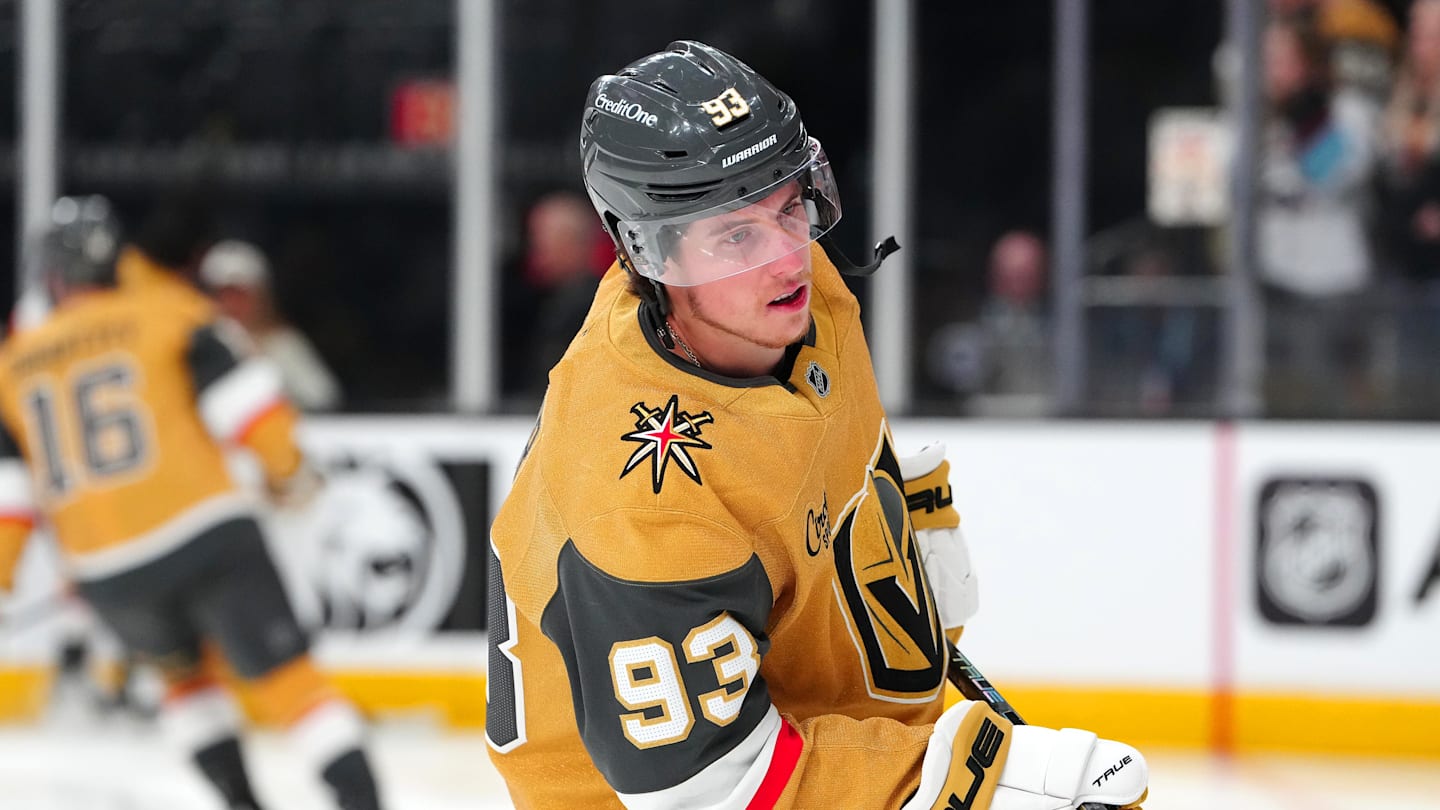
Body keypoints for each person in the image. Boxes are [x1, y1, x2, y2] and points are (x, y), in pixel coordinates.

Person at [485, 41, 1149, 810]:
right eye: (736, 235)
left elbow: (796, 476)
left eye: (790, 204)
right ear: (649, 251)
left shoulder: (798, 297)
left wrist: (883, 529)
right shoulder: (636, 495)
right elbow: (710, 785)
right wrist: (955, 785)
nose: (787, 258)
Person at [0, 196, 385, 810]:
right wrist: (289, 471)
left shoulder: (15, 365)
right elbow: (250, 410)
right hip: (207, 536)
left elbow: (14, 499)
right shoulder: (167, 313)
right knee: (293, 689)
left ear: (51, 275)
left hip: (109, 570)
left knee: (183, 687)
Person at [200, 239, 344, 412]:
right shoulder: (195, 345)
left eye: (239, 295)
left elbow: (321, 398)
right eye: (222, 295)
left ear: (261, 297)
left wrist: (262, 362)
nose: (231, 304)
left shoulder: (283, 344)